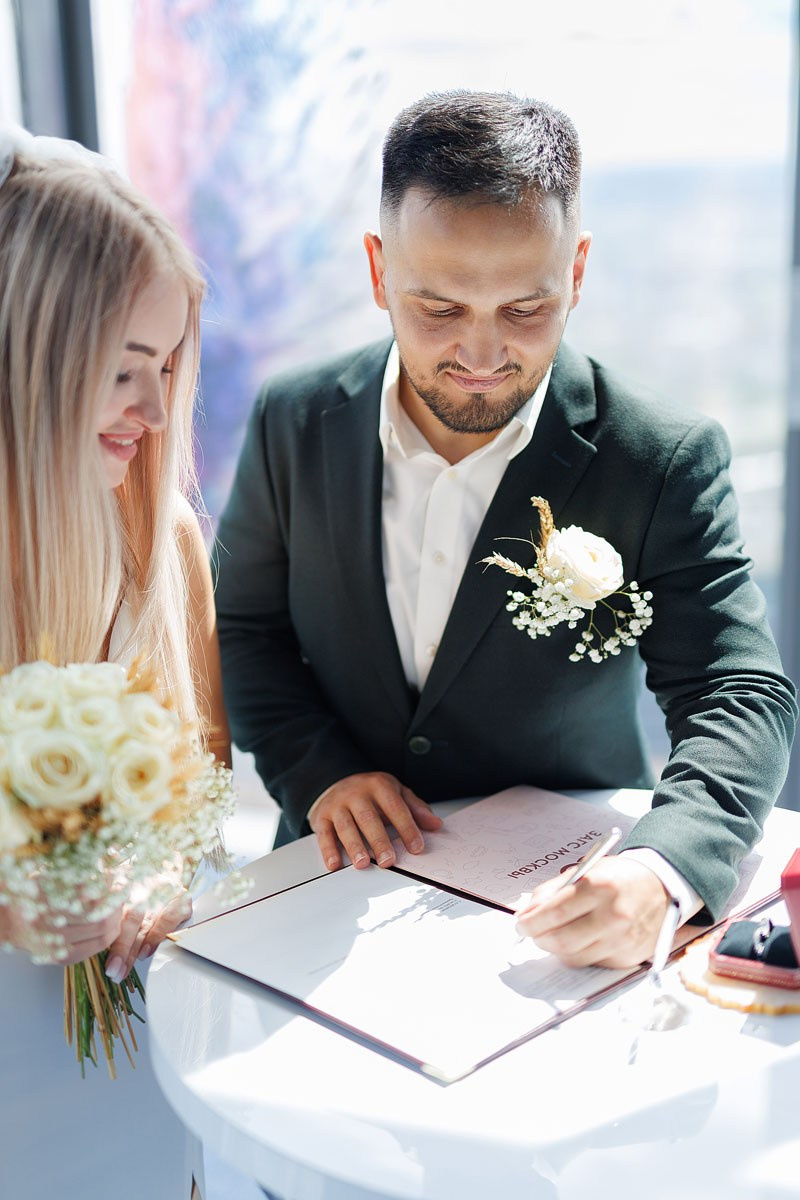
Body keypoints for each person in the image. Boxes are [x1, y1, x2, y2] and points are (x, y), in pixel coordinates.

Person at [214, 90, 797, 971]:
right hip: (329, 888)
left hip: (566, 911)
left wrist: (663, 865)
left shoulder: (663, 456)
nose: (482, 358)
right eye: (440, 309)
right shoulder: (292, 419)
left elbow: (738, 692)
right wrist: (318, 771)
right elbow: (248, 631)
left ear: (577, 272)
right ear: (378, 273)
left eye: (524, 310)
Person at [0, 126, 229, 1200]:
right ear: (33, 359)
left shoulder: (162, 538)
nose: (151, 409)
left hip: (135, 1049)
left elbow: (204, 789)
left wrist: (161, 884)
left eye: (166, 368)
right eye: (122, 368)